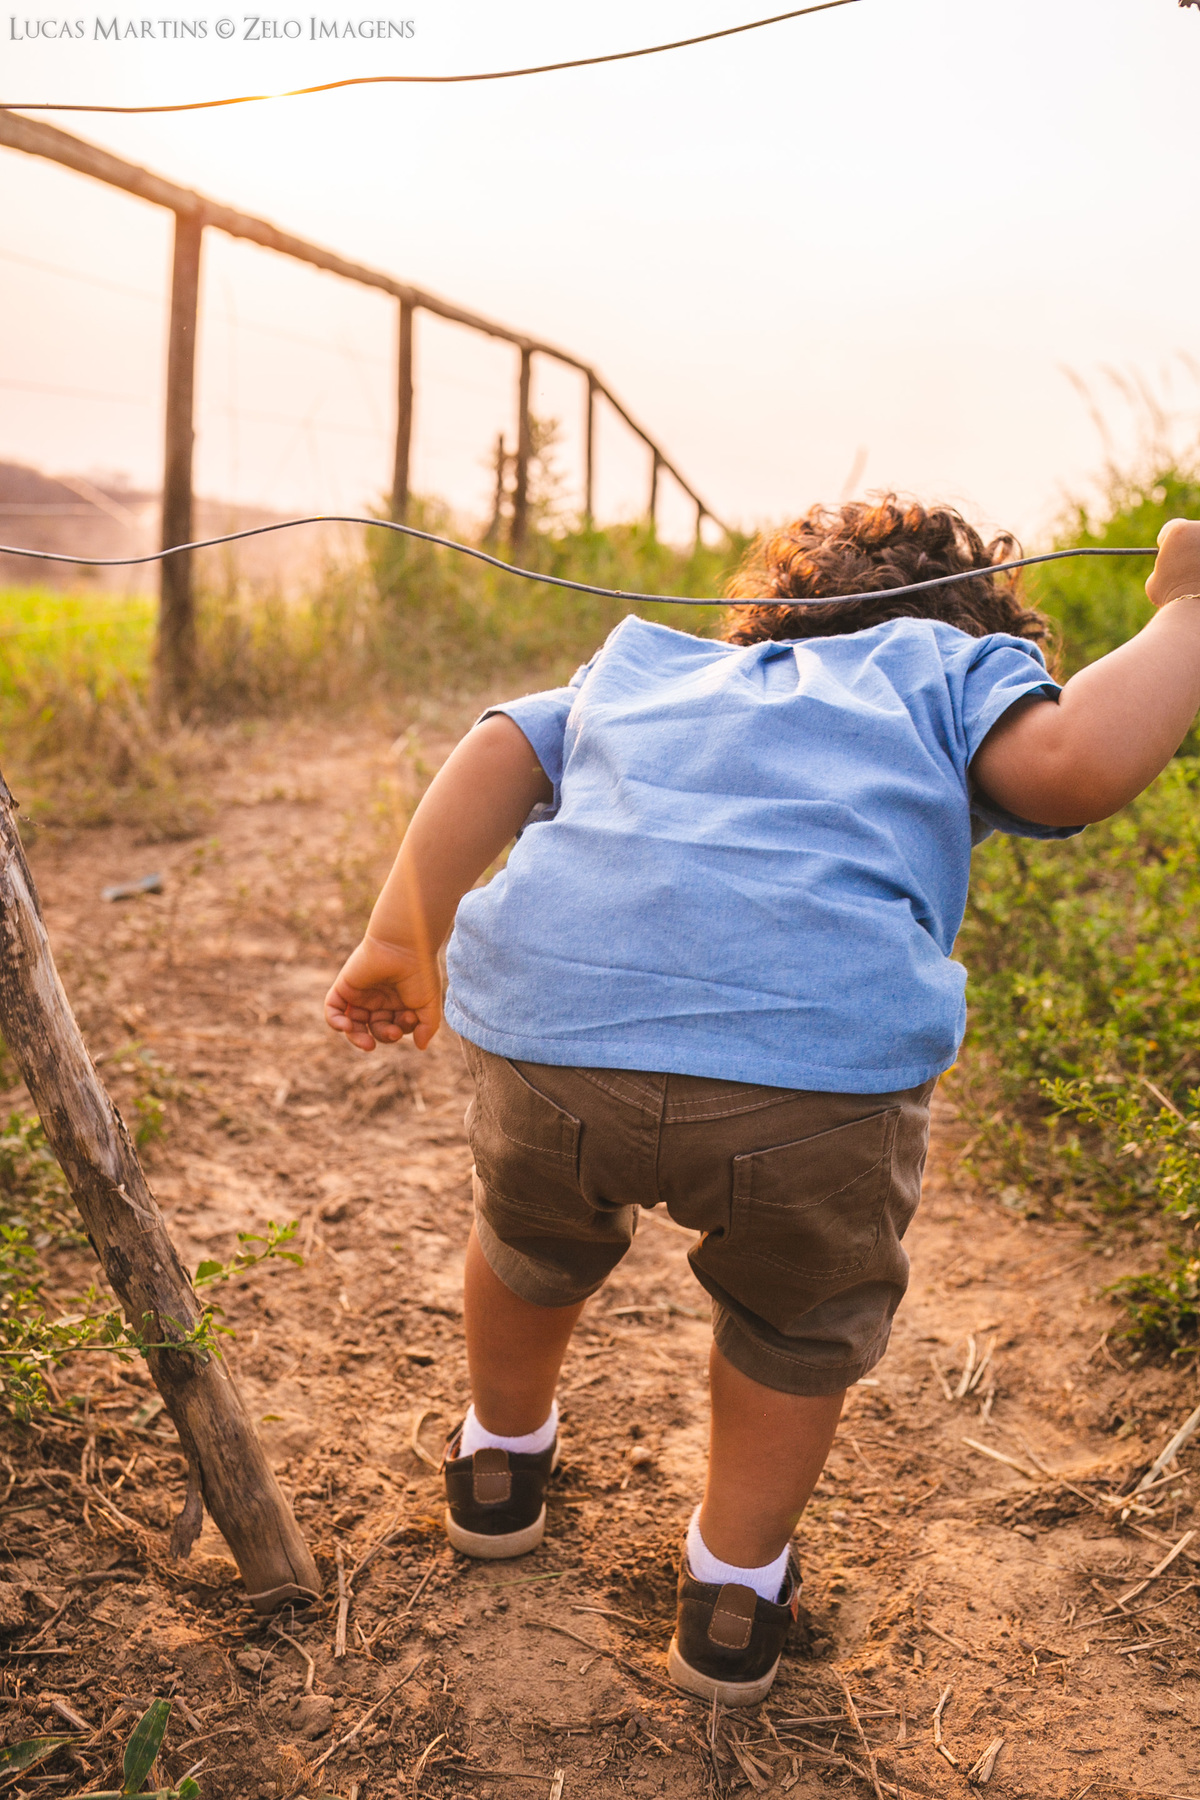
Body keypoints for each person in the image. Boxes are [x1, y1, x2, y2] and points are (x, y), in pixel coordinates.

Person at [324, 499, 1200, 1706]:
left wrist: (398, 936)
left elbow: (497, 751)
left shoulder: (645, 667)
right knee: (797, 1322)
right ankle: (733, 1593)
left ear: (763, 615)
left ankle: (498, 1467)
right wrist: (1191, 610)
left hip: (557, 1036)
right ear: (976, 628)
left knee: (527, 1241)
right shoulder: (939, 671)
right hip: (812, 1076)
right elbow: (1073, 770)